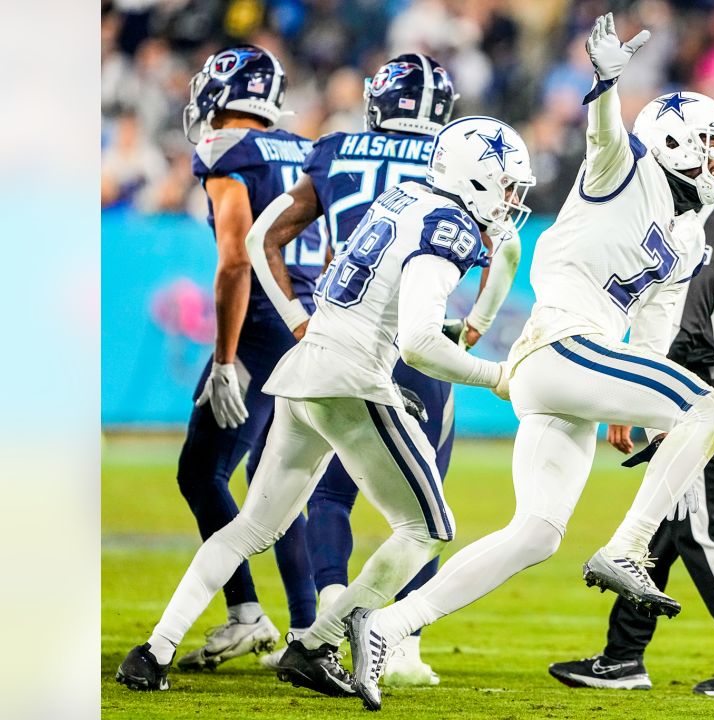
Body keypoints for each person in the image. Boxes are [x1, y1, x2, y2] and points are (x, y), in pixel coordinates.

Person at [340, 14, 714, 711]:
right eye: (706, 143)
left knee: (536, 533)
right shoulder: (628, 168)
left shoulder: (689, 238)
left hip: (574, 372)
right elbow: (605, 134)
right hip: (562, 344)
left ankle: (389, 625)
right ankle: (628, 549)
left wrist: (632, 413)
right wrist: (608, 82)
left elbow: (652, 336)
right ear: (670, 139)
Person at [113, 115, 536, 695]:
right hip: (352, 381)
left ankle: (153, 650)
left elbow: (395, 306)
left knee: (253, 526)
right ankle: (317, 645)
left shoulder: (404, 196)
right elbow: (417, 342)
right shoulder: (449, 227)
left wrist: (466, 324)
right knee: (429, 529)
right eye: (508, 185)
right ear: (477, 178)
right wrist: (498, 376)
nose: (512, 201)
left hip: (308, 366)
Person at [243, 53, 521, 686]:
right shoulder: (455, 162)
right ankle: (398, 643)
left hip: (339, 335)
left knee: (328, 497)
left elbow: (265, 237)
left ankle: (318, 626)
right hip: (412, 346)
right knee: (425, 508)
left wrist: (296, 317)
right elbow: (504, 249)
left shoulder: (338, 149)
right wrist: (475, 327)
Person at [547, 123, 714, 697]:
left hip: (701, 390)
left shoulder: (701, 222)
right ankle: (622, 656)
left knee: (698, 529)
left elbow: (686, 320)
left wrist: (651, 398)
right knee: (664, 525)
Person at [167, 44, 323, 672]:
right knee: (275, 481)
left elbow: (235, 259)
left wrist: (226, 357)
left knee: (201, 472)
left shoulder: (227, 149)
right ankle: (309, 625)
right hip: (309, 320)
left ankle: (246, 615)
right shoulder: (302, 147)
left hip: (260, 325)